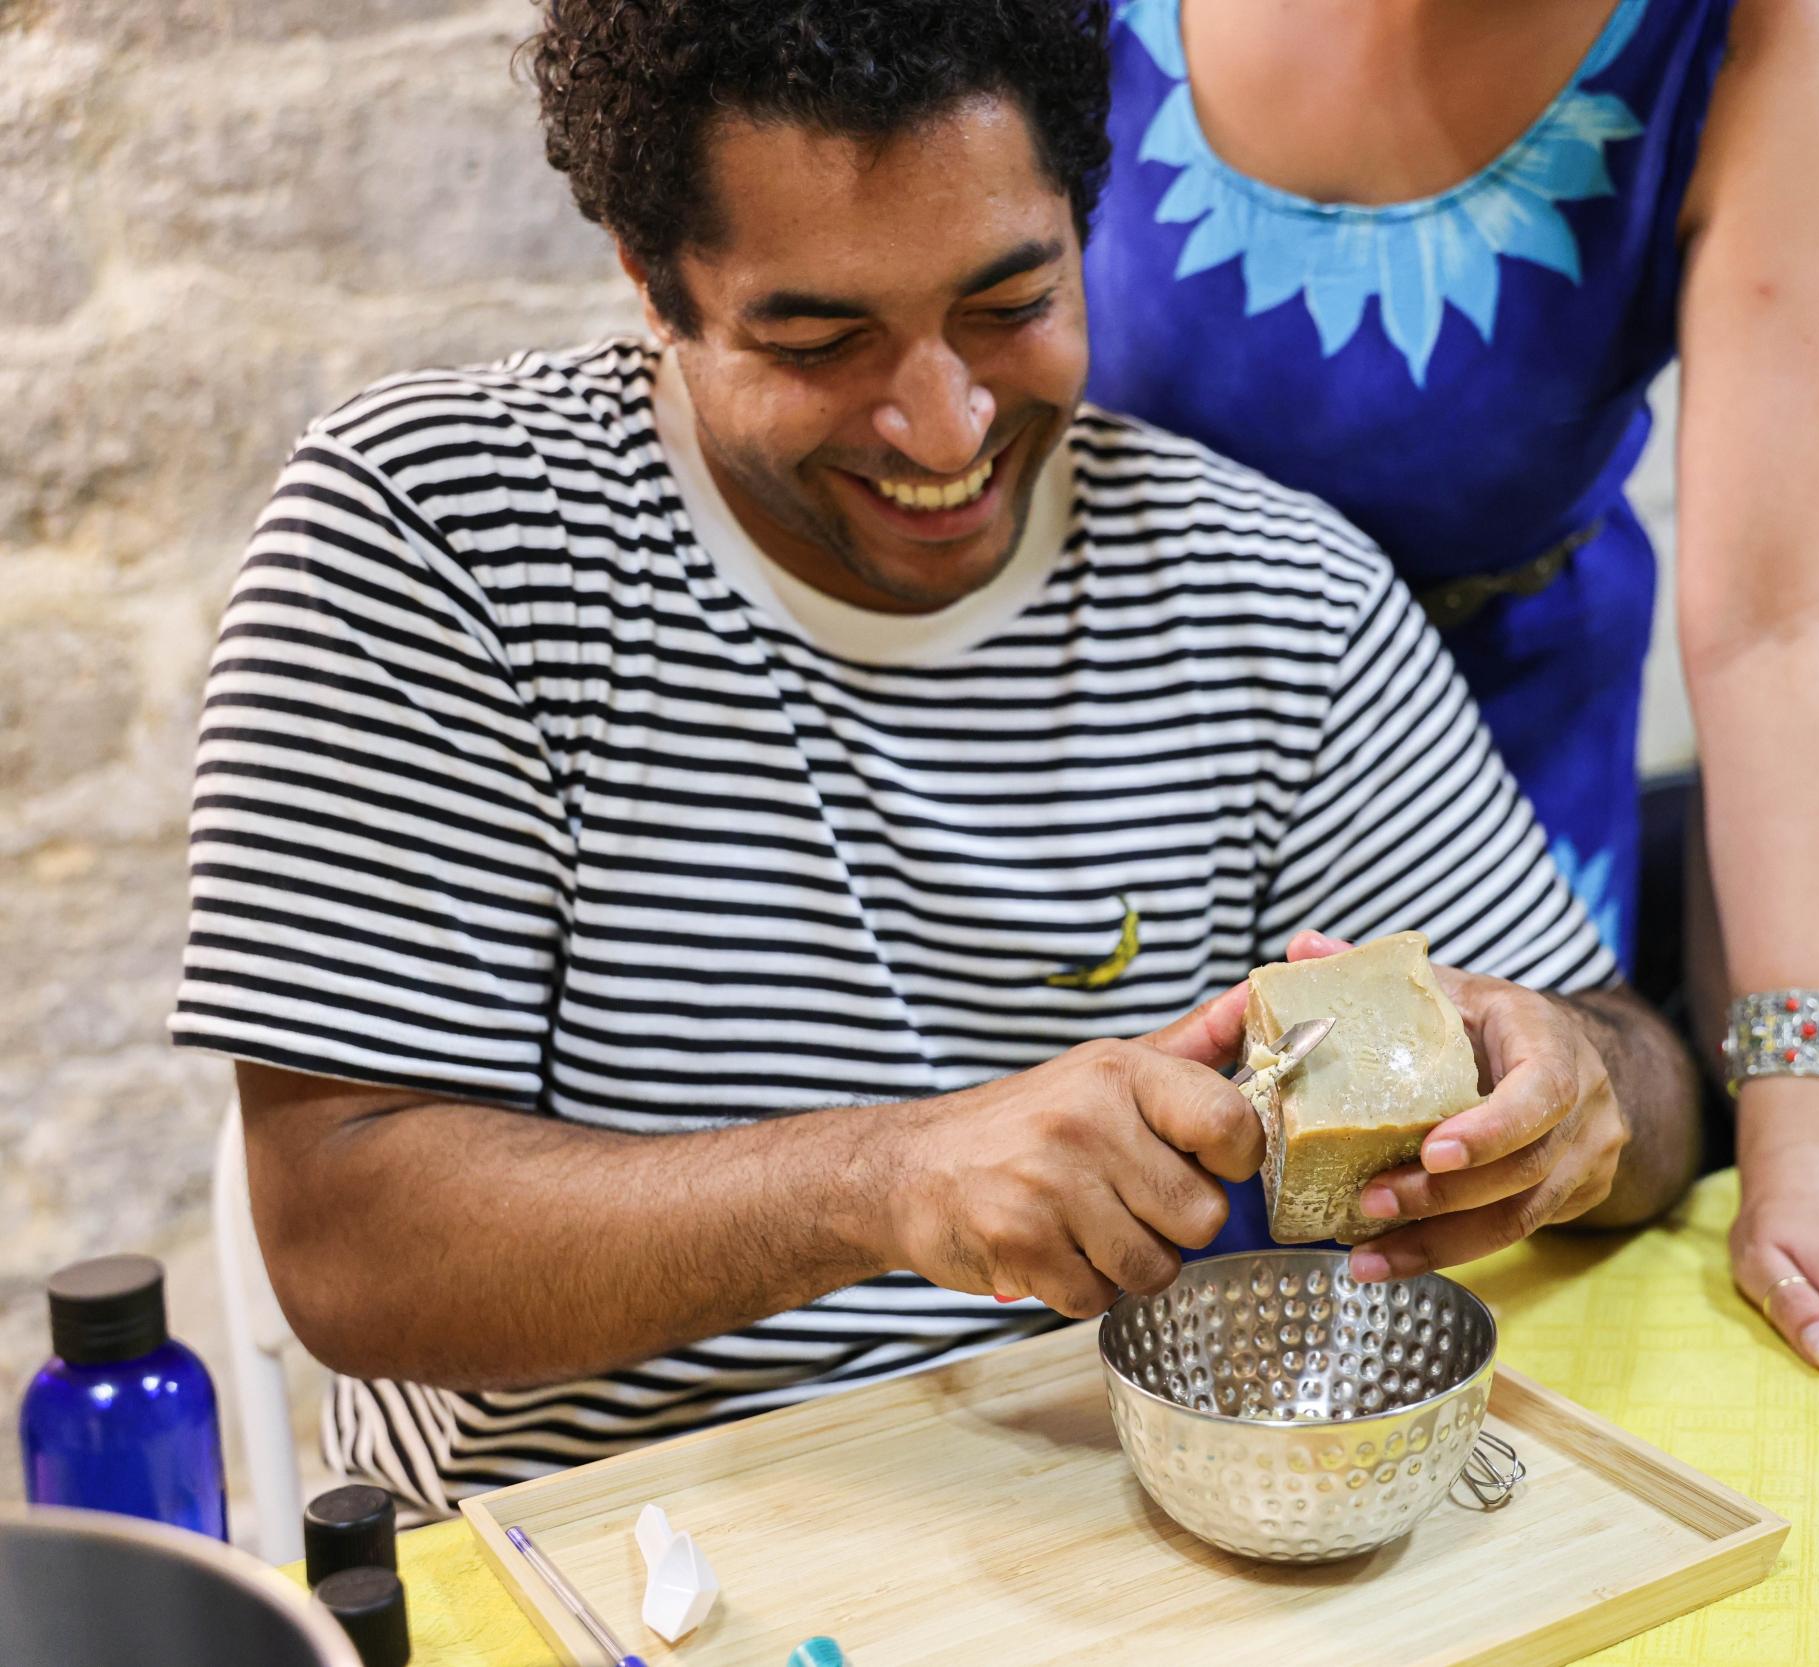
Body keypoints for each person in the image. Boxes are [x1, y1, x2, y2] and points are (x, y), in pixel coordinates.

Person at [168, 0, 1703, 1514]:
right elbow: (349, 1250)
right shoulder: (437, 538)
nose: (944, 425)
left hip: (1110, 1527)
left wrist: (1573, 1096)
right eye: (821, 340)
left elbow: (1645, 1083)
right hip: (583, 1547)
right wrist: (888, 1179)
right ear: (653, 279)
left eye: (1009, 306)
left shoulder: (1274, 593)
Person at [1085, 0, 1819, 1430]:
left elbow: (1785, 617)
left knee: (1484, 1263)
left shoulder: (1748, 36)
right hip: (1125, 736)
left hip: (1501, 758)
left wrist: (1806, 1150)